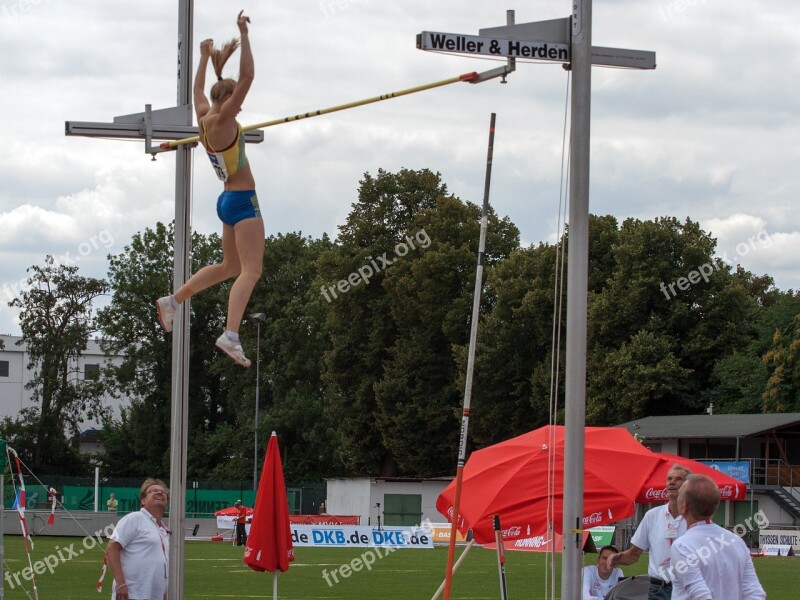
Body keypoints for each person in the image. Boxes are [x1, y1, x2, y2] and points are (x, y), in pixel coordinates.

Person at [156, 10, 263, 368]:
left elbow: (197, 90)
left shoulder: (204, 117)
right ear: (229, 100)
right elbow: (247, 75)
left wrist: (203, 57)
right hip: (243, 202)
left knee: (229, 266)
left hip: (227, 201)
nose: (241, 107)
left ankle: (173, 301)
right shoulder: (223, 120)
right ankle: (231, 334)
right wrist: (243, 34)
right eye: (237, 102)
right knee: (251, 271)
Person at [669, 474, 765, 600]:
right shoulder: (736, 541)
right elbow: (754, 593)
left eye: (679, 494)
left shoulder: (682, 546)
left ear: (684, 506)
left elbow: (700, 595)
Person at [607, 464, 691, 600]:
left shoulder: (695, 517)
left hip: (686, 589)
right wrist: (619, 557)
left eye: (678, 479)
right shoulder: (652, 516)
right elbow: (633, 555)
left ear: (688, 485)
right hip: (658, 590)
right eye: (669, 479)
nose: (672, 482)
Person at [105, 479, 170, 600]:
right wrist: (121, 583)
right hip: (132, 594)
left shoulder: (164, 530)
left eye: (163, 492)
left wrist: (164, 594)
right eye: (154, 491)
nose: (160, 493)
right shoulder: (134, 519)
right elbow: (112, 548)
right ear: (143, 500)